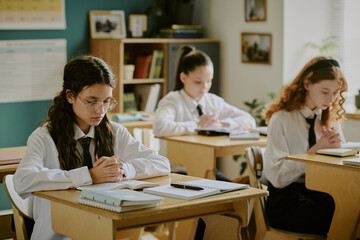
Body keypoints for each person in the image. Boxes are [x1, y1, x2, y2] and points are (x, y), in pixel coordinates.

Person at [13, 56, 170, 240]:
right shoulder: (44, 136)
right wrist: (89, 176)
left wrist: (122, 171)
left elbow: (162, 163)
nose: (100, 110)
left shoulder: (115, 132)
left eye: (106, 101)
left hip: (103, 231)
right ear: (70, 96)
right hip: (58, 236)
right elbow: (22, 181)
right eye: (91, 101)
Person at [263, 56, 347, 235]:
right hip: (285, 201)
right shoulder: (282, 119)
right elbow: (277, 178)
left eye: (335, 92)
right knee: (341, 218)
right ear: (307, 83)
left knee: (351, 211)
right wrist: (313, 154)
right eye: (325, 91)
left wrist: (339, 151)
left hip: (320, 192)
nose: (331, 99)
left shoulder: (329, 119)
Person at [153, 45, 256, 137]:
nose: (205, 87)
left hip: (206, 155)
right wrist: (197, 125)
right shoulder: (172, 100)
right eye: (198, 82)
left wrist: (221, 124)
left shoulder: (213, 101)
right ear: (183, 78)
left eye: (209, 81)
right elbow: (159, 127)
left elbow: (249, 121)